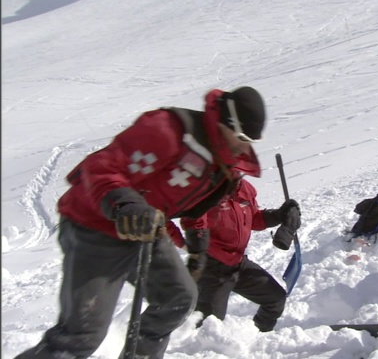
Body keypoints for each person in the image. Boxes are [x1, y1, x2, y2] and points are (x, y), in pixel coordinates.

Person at [15, 86, 268, 359]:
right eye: (242, 137)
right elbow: (100, 167)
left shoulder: (222, 164)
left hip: (144, 230)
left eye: (251, 141)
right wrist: (125, 202)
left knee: (178, 300)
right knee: (82, 334)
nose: (245, 146)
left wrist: (197, 247)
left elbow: (195, 205)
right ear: (225, 121)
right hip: (94, 226)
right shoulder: (169, 130)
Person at [167, 178, 301, 333]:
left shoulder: (244, 188)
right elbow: (163, 216)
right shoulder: (202, 191)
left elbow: (254, 219)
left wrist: (279, 215)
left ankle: (258, 336)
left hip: (238, 263)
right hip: (211, 268)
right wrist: (183, 243)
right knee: (208, 328)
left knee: (275, 298)